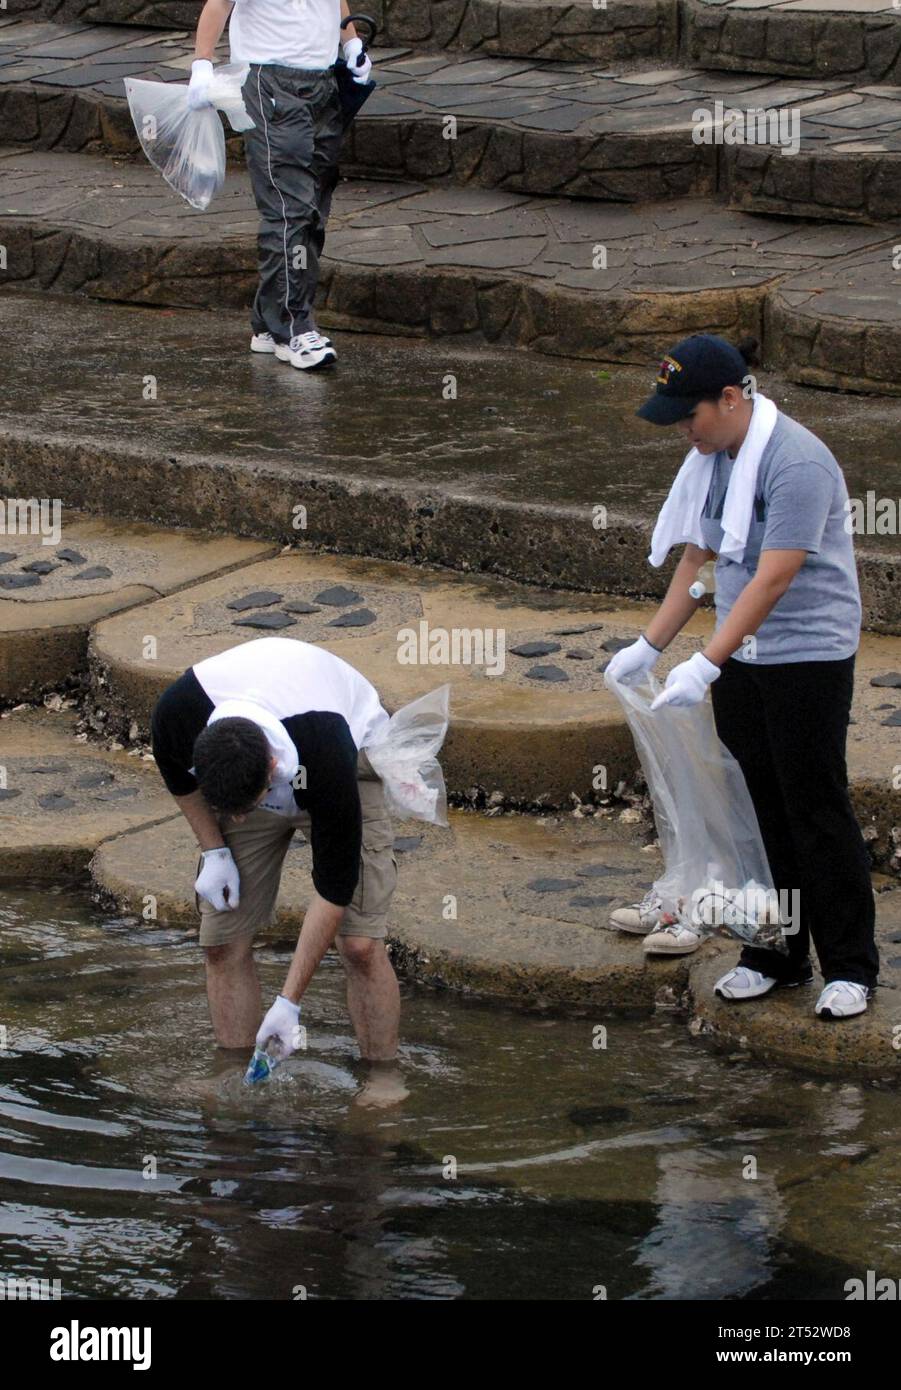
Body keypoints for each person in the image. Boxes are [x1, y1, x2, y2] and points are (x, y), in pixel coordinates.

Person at [606, 333, 879, 1021]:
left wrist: (704, 661)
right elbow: (697, 561)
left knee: (813, 807)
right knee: (754, 814)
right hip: (742, 658)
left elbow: (774, 575)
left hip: (804, 657)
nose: (682, 434)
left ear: (730, 399)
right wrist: (650, 643)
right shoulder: (714, 458)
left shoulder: (796, 461)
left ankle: (850, 965)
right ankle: (775, 954)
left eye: (687, 417)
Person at [150, 637, 401, 1062]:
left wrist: (289, 1002)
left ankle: (382, 1080)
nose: (241, 821)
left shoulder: (329, 747)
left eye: (246, 809)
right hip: (249, 763)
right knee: (221, 940)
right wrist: (214, 850)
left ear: (270, 770)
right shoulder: (179, 714)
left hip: (348, 759)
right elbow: (176, 774)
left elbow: (334, 889)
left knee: (359, 945)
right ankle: (235, 1076)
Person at [188, 0, 372, 370]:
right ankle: (292, 327)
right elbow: (220, 4)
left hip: (322, 85)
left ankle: (268, 323)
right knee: (289, 207)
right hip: (271, 84)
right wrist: (202, 64)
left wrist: (351, 42)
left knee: (314, 209)